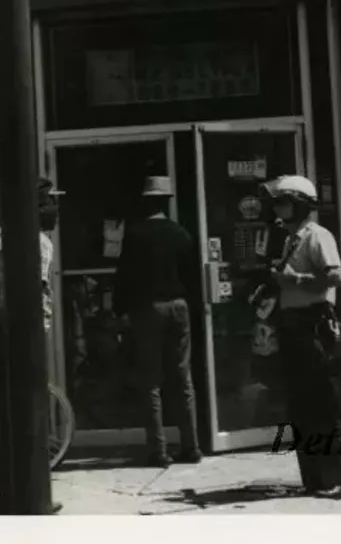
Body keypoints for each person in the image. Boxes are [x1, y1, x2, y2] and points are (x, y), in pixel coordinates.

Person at [0, 178, 63, 514]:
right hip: (21, 338)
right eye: (50, 203)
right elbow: (33, 295)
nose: (56, 210)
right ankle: (25, 491)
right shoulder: (38, 243)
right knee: (25, 415)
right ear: (35, 208)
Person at [262, 175, 341, 500]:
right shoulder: (290, 239)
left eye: (283, 202)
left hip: (314, 323)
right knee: (301, 406)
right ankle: (314, 478)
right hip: (294, 326)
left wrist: (295, 279)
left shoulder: (317, 236)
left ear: (298, 204)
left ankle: (337, 479)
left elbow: (336, 277)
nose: (278, 208)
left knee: (321, 406)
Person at [112, 176, 202, 469]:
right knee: (182, 378)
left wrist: (119, 309)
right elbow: (192, 277)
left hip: (148, 309)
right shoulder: (182, 234)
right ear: (166, 202)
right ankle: (191, 446)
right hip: (179, 306)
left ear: (145, 202)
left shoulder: (135, 235)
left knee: (150, 381)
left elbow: (124, 276)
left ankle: (159, 450)